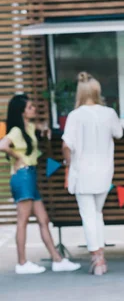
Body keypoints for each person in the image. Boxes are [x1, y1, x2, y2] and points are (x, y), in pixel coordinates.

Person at [0, 94, 81, 274]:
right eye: (30, 107)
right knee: (22, 221)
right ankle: (21, 263)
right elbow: (2, 144)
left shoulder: (27, 127)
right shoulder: (16, 131)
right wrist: (17, 157)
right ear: (21, 112)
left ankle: (57, 259)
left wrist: (44, 129)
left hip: (30, 175)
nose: (34, 109)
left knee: (43, 219)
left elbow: (39, 128)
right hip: (23, 176)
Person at [62, 72, 123, 276]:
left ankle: (97, 259)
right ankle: (101, 258)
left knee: (88, 216)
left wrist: (67, 162)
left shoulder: (75, 115)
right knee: (97, 214)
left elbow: (66, 144)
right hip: (104, 173)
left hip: (82, 172)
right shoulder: (108, 113)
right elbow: (119, 133)